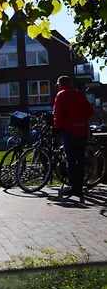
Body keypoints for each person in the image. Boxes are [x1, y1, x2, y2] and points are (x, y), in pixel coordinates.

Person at [53, 75, 94, 203]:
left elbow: (58, 114)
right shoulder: (79, 94)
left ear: (60, 84)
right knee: (80, 159)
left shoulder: (61, 95)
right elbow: (90, 110)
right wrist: (81, 119)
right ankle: (79, 187)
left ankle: (73, 187)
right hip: (82, 130)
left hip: (69, 131)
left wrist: (57, 127)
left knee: (70, 159)